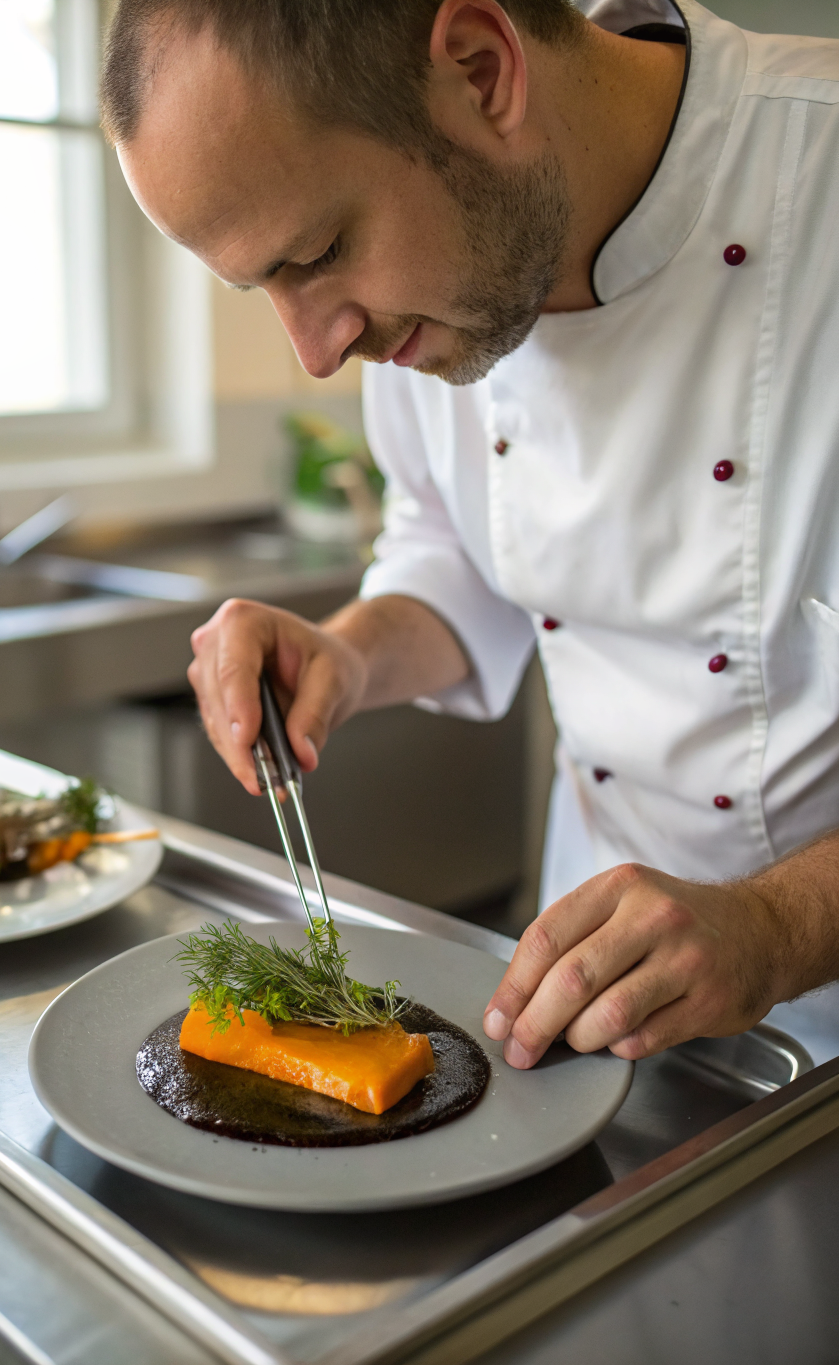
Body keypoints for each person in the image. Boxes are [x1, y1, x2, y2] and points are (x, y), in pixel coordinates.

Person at [101, 0, 839, 1069]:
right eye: (261, 284)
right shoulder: (428, 309)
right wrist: (351, 652)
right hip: (610, 1020)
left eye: (319, 250)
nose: (314, 350)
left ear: (483, 70)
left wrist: (774, 930)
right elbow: (456, 551)